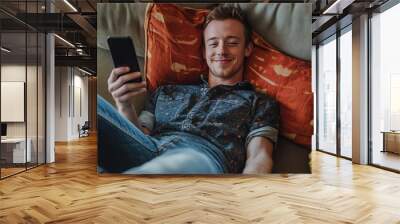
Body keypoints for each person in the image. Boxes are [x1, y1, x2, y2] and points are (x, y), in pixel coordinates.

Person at [97, 5, 280, 174]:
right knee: (94, 105)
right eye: (213, 43)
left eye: (232, 43)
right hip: (148, 146)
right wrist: (124, 104)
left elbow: (259, 156)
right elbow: (138, 136)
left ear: (247, 49)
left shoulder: (260, 102)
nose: (221, 50)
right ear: (204, 51)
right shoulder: (165, 91)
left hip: (203, 157)